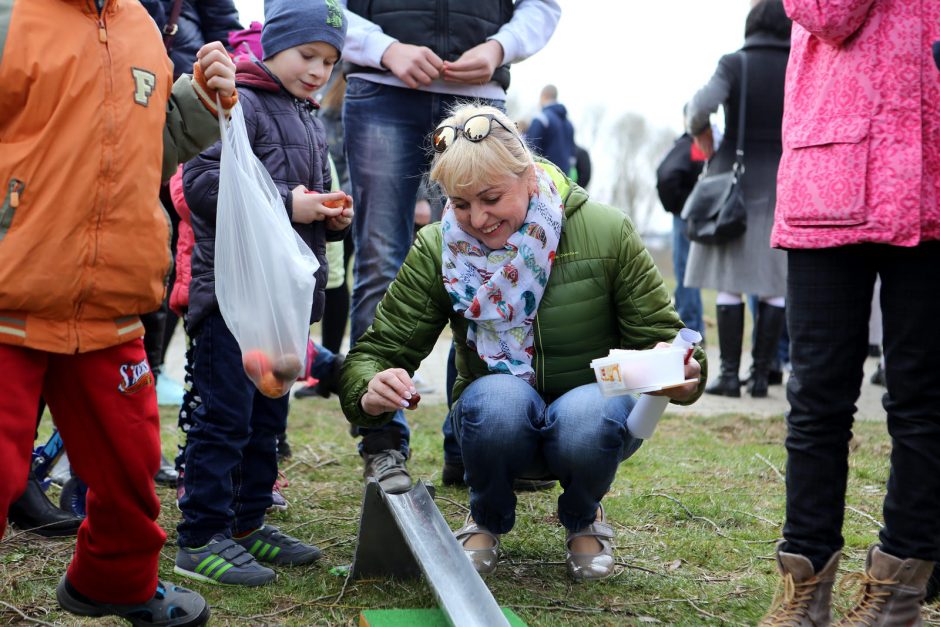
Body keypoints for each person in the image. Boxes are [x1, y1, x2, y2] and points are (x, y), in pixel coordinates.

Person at [339, 104, 706, 580]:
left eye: (491, 198)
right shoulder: (439, 248)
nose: (477, 218)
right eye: (461, 203)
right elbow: (373, 355)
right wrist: (369, 388)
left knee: (588, 415)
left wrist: (681, 374)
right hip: (496, 421)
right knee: (496, 400)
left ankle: (584, 515)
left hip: (592, 422)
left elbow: (666, 343)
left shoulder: (606, 230)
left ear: (529, 177)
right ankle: (486, 517)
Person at [0, 0, 237, 621]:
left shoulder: (140, 25)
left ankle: (115, 579)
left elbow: (142, 152)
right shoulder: (10, 18)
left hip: (110, 303)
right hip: (10, 297)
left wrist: (200, 107)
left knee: (130, 473)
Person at [758, 1, 940, 624]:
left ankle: (897, 595)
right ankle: (803, 588)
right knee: (818, 399)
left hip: (933, 173)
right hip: (833, 175)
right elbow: (824, 10)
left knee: (923, 401)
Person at [340, 0, 562, 493]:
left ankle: (471, 445)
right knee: (380, 261)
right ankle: (382, 442)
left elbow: (542, 5)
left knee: (494, 266)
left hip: (479, 96)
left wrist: (499, 47)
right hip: (383, 85)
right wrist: (383, 48)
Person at [177, 0, 351, 587]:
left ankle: (248, 523)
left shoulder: (307, 117)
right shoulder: (236, 104)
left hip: (282, 307)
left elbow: (310, 196)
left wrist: (330, 216)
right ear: (273, 44)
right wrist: (289, 202)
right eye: (308, 55)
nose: (318, 70)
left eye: (329, 61)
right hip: (232, 303)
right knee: (222, 418)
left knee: (266, 418)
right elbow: (199, 185)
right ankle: (201, 535)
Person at [684, 0, 790, 399]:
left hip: (736, 181)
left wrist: (702, 136)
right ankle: (761, 376)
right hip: (785, 180)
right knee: (774, 284)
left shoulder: (734, 63)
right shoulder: (800, 62)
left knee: (729, 283)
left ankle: (729, 377)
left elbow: (700, 108)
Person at [655, 131, 708, 342]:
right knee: (691, 273)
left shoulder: (690, 145)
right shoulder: (698, 147)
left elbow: (667, 174)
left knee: (686, 272)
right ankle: (695, 330)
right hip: (697, 215)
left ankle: (689, 331)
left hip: (685, 217)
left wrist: (678, 204)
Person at [526, 84, 576, 176]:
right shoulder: (569, 124)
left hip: (544, 178)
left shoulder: (541, 118)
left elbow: (530, 149)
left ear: (543, 96)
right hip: (564, 180)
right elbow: (572, 154)